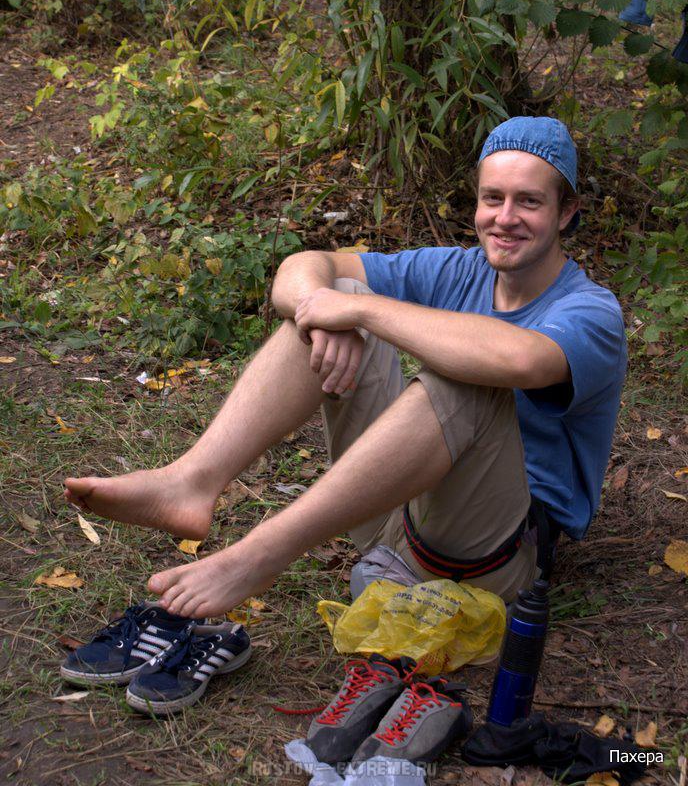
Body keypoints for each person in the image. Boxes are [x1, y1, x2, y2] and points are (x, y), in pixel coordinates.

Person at [64, 117, 627, 621]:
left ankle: (261, 555)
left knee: (463, 372)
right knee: (333, 300)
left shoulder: (590, 312)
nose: (504, 218)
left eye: (528, 202)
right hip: (393, 516)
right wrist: (336, 309)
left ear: (566, 212)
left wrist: (361, 310)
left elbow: (519, 358)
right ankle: (192, 481)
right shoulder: (460, 269)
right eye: (492, 198)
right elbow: (303, 267)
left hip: (492, 555)